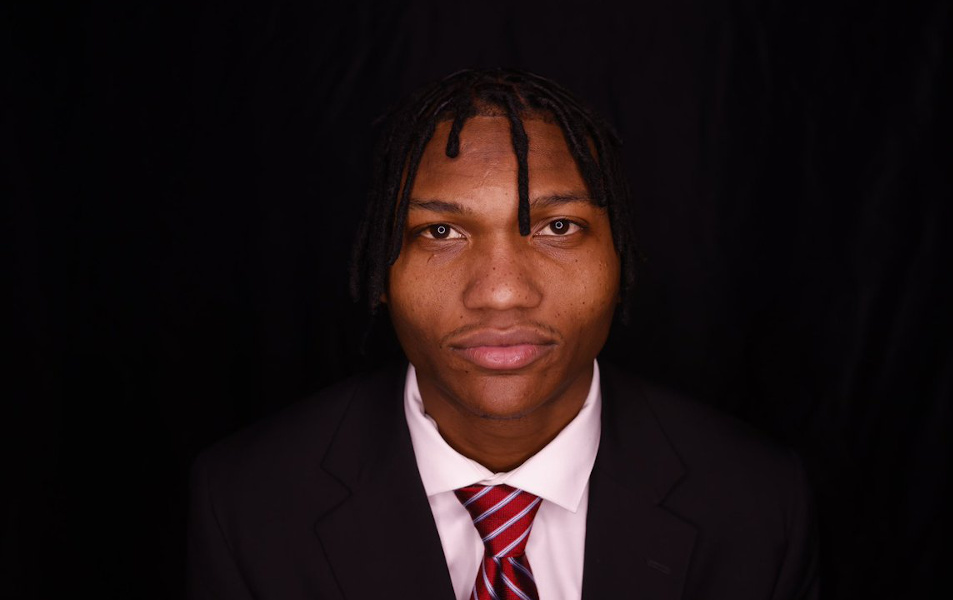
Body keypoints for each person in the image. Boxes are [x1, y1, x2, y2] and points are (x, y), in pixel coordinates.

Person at [186, 68, 819, 600]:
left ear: (620, 255)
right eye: (440, 232)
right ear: (380, 267)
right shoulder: (245, 504)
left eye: (558, 227)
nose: (501, 291)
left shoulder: (759, 504)